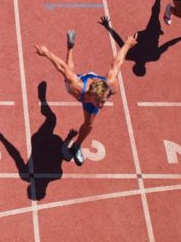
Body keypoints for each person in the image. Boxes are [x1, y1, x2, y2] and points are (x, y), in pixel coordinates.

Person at [33, 30, 137, 166]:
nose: (101, 106)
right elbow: (62, 68)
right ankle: (70, 47)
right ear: (91, 95)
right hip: (81, 85)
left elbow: (117, 63)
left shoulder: (110, 86)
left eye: (103, 101)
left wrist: (128, 44)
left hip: (96, 84)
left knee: (88, 124)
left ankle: (76, 146)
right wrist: (46, 53)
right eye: (99, 102)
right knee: (67, 78)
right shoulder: (77, 87)